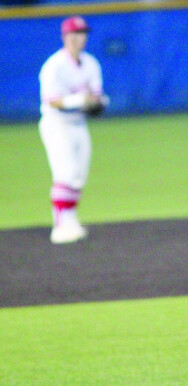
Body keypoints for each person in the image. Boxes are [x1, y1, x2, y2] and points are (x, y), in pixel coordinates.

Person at [39, 16, 109, 244]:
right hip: (56, 124)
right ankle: (59, 226)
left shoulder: (91, 63)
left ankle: (70, 221)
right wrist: (80, 99)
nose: (79, 37)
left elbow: (96, 96)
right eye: (75, 33)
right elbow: (52, 101)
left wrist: (98, 102)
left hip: (78, 124)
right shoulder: (54, 66)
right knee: (65, 173)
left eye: (83, 33)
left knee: (78, 176)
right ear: (65, 36)